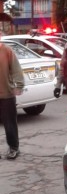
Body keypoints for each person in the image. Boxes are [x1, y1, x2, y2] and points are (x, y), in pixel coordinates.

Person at [0, 31, 25, 160]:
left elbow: (16, 69)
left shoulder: (7, 51)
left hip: (6, 94)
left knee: (9, 123)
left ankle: (14, 148)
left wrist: (19, 85)